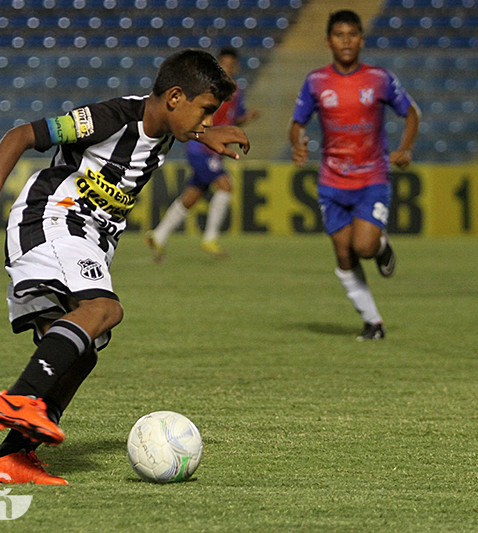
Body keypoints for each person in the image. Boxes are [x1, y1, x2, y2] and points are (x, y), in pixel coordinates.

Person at [0, 50, 249, 485]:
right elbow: (21, 134)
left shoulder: (167, 125)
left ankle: (11, 457)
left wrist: (205, 133)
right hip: (53, 218)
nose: (206, 120)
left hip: (89, 238)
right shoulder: (108, 118)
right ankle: (21, 397)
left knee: (84, 350)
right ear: (176, 96)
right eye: (206, 111)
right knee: (105, 310)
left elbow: (176, 124)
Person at [288, 9, 420, 341]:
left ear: (361, 38)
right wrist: (297, 145)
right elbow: (297, 123)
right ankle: (373, 323)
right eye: (339, 35)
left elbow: (411, 113)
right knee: (343, 254)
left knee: (363, 247)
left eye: (352, 34)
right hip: (331, 182)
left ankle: (380, 245)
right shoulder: (316, 81)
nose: (346, 41)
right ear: (328, 41)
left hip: (371, 178)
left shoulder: (379, 78)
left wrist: (405, 148)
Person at [146, 48, 259, 261]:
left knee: (192, 195)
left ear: (235, 67)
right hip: (200, 148)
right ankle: (210, 239)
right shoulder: (207, 89)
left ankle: (158, 235)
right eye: (223, 64)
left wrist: (247, 118)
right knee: (226, 186)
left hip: (212, 151)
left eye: (231, 64)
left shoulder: (236, 92)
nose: (227, 68)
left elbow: (233, 119)